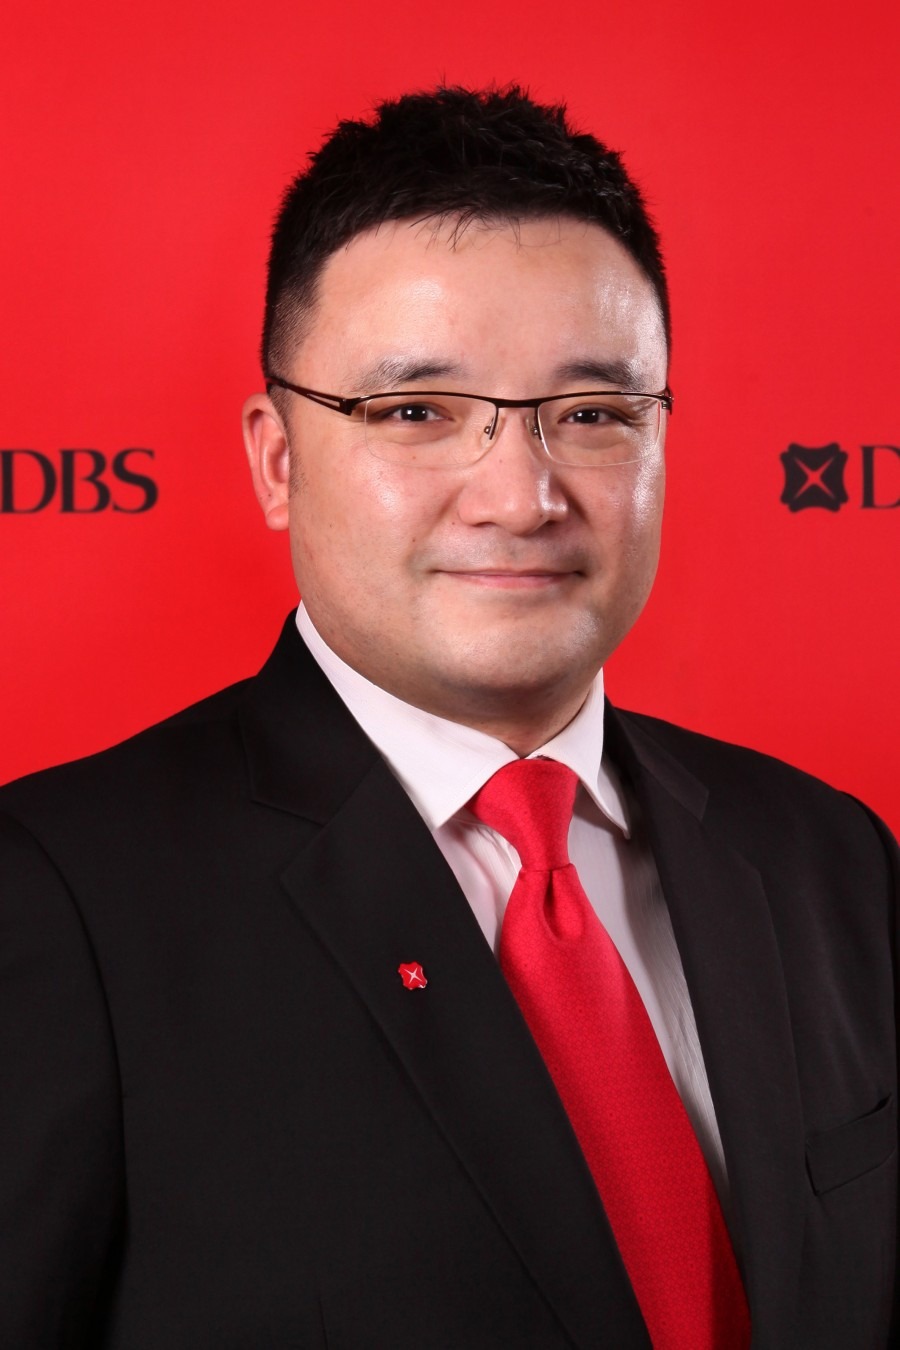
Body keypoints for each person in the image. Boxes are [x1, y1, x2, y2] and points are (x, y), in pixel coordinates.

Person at [1, 85, 896, 1350]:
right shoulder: (58, 897)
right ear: (276, 458)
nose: (521, 497)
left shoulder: (829, 858)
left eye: (593, 415)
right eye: (417, 412)